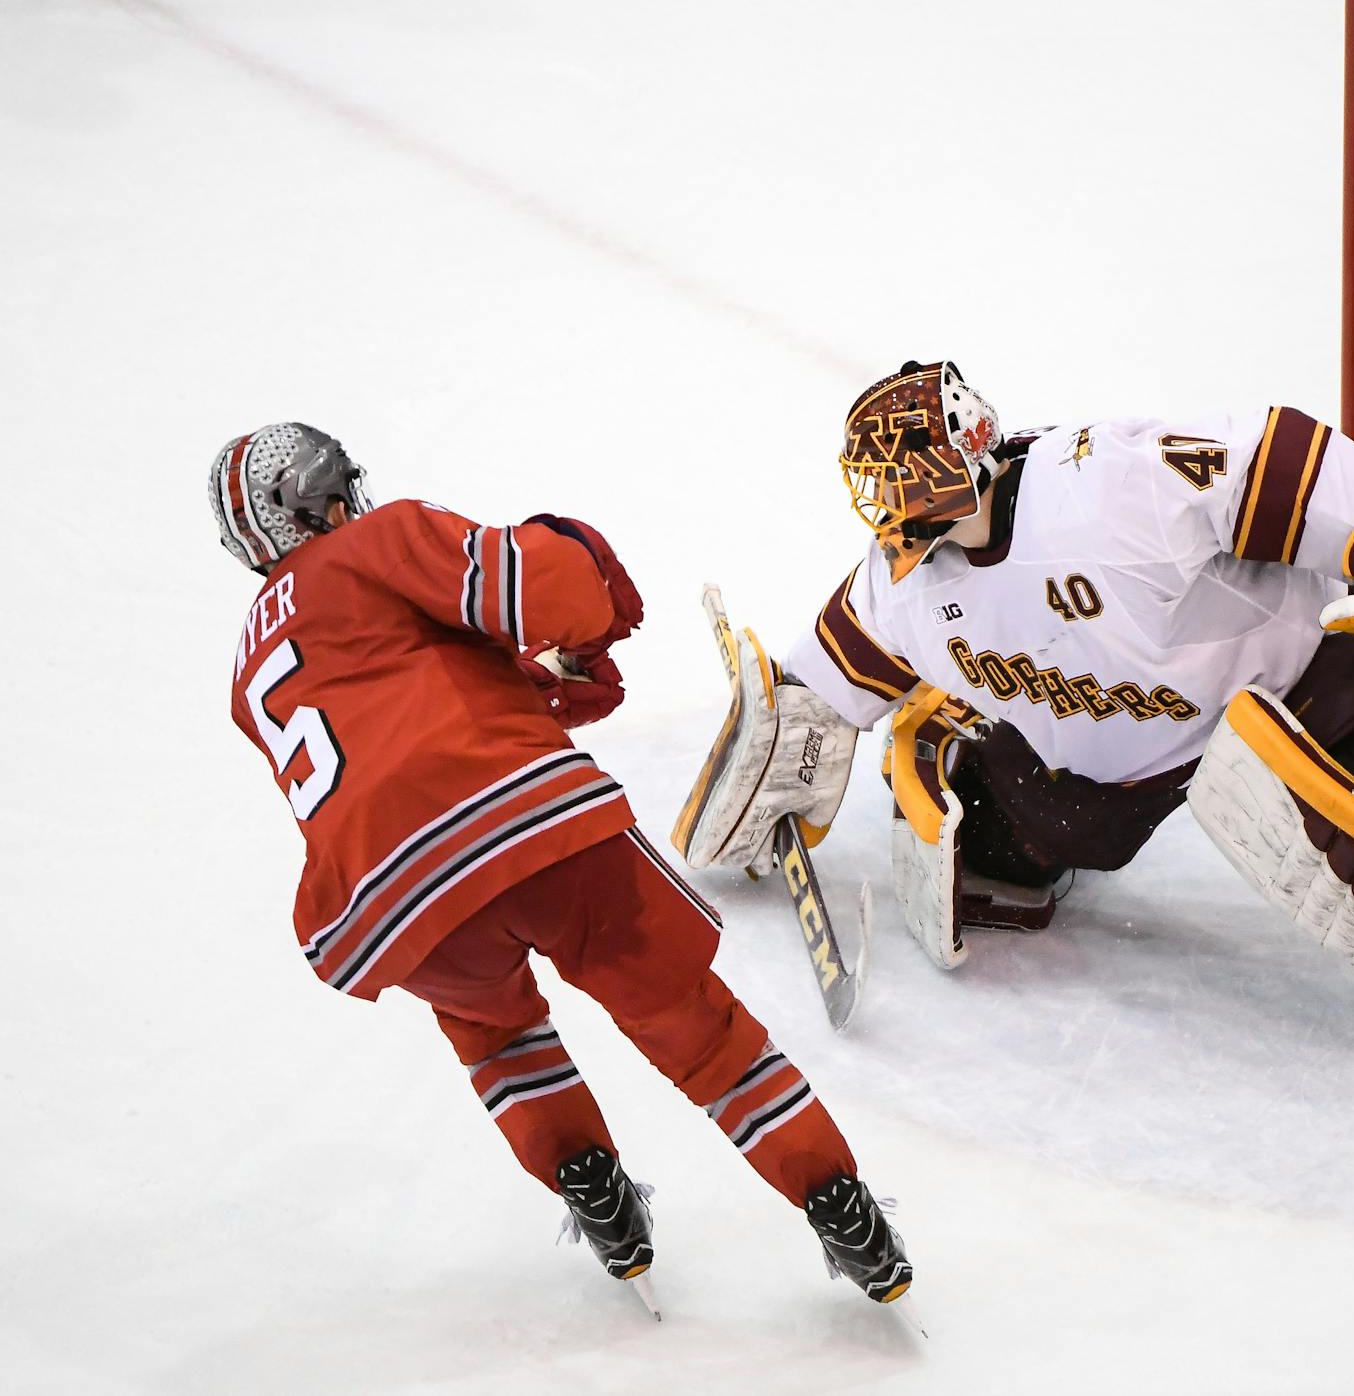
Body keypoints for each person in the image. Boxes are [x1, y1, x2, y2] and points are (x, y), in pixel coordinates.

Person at [678, 363, 1354, 1112]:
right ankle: (959, 761)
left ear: (967, 453)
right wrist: (772, 755)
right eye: (885, 491)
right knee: (993, 853)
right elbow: (823, 684)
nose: (893, 511)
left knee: (1353, 846)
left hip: (1301, 691)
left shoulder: (1106, 483)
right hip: (1104, 786)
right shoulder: (900, 589)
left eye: (907, 481)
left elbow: (1282, 463)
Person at [213, 423, 909, 1315]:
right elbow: (540, 583)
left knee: (495, 1035)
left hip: (388, 899)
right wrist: (589, 583)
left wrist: (543, 680)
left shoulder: (246, 666)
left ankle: (583, 1175)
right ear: (326, 499)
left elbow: (390, 725)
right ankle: (832, 1198)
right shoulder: (374, 544)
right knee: (686, 1020)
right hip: (529, 824)